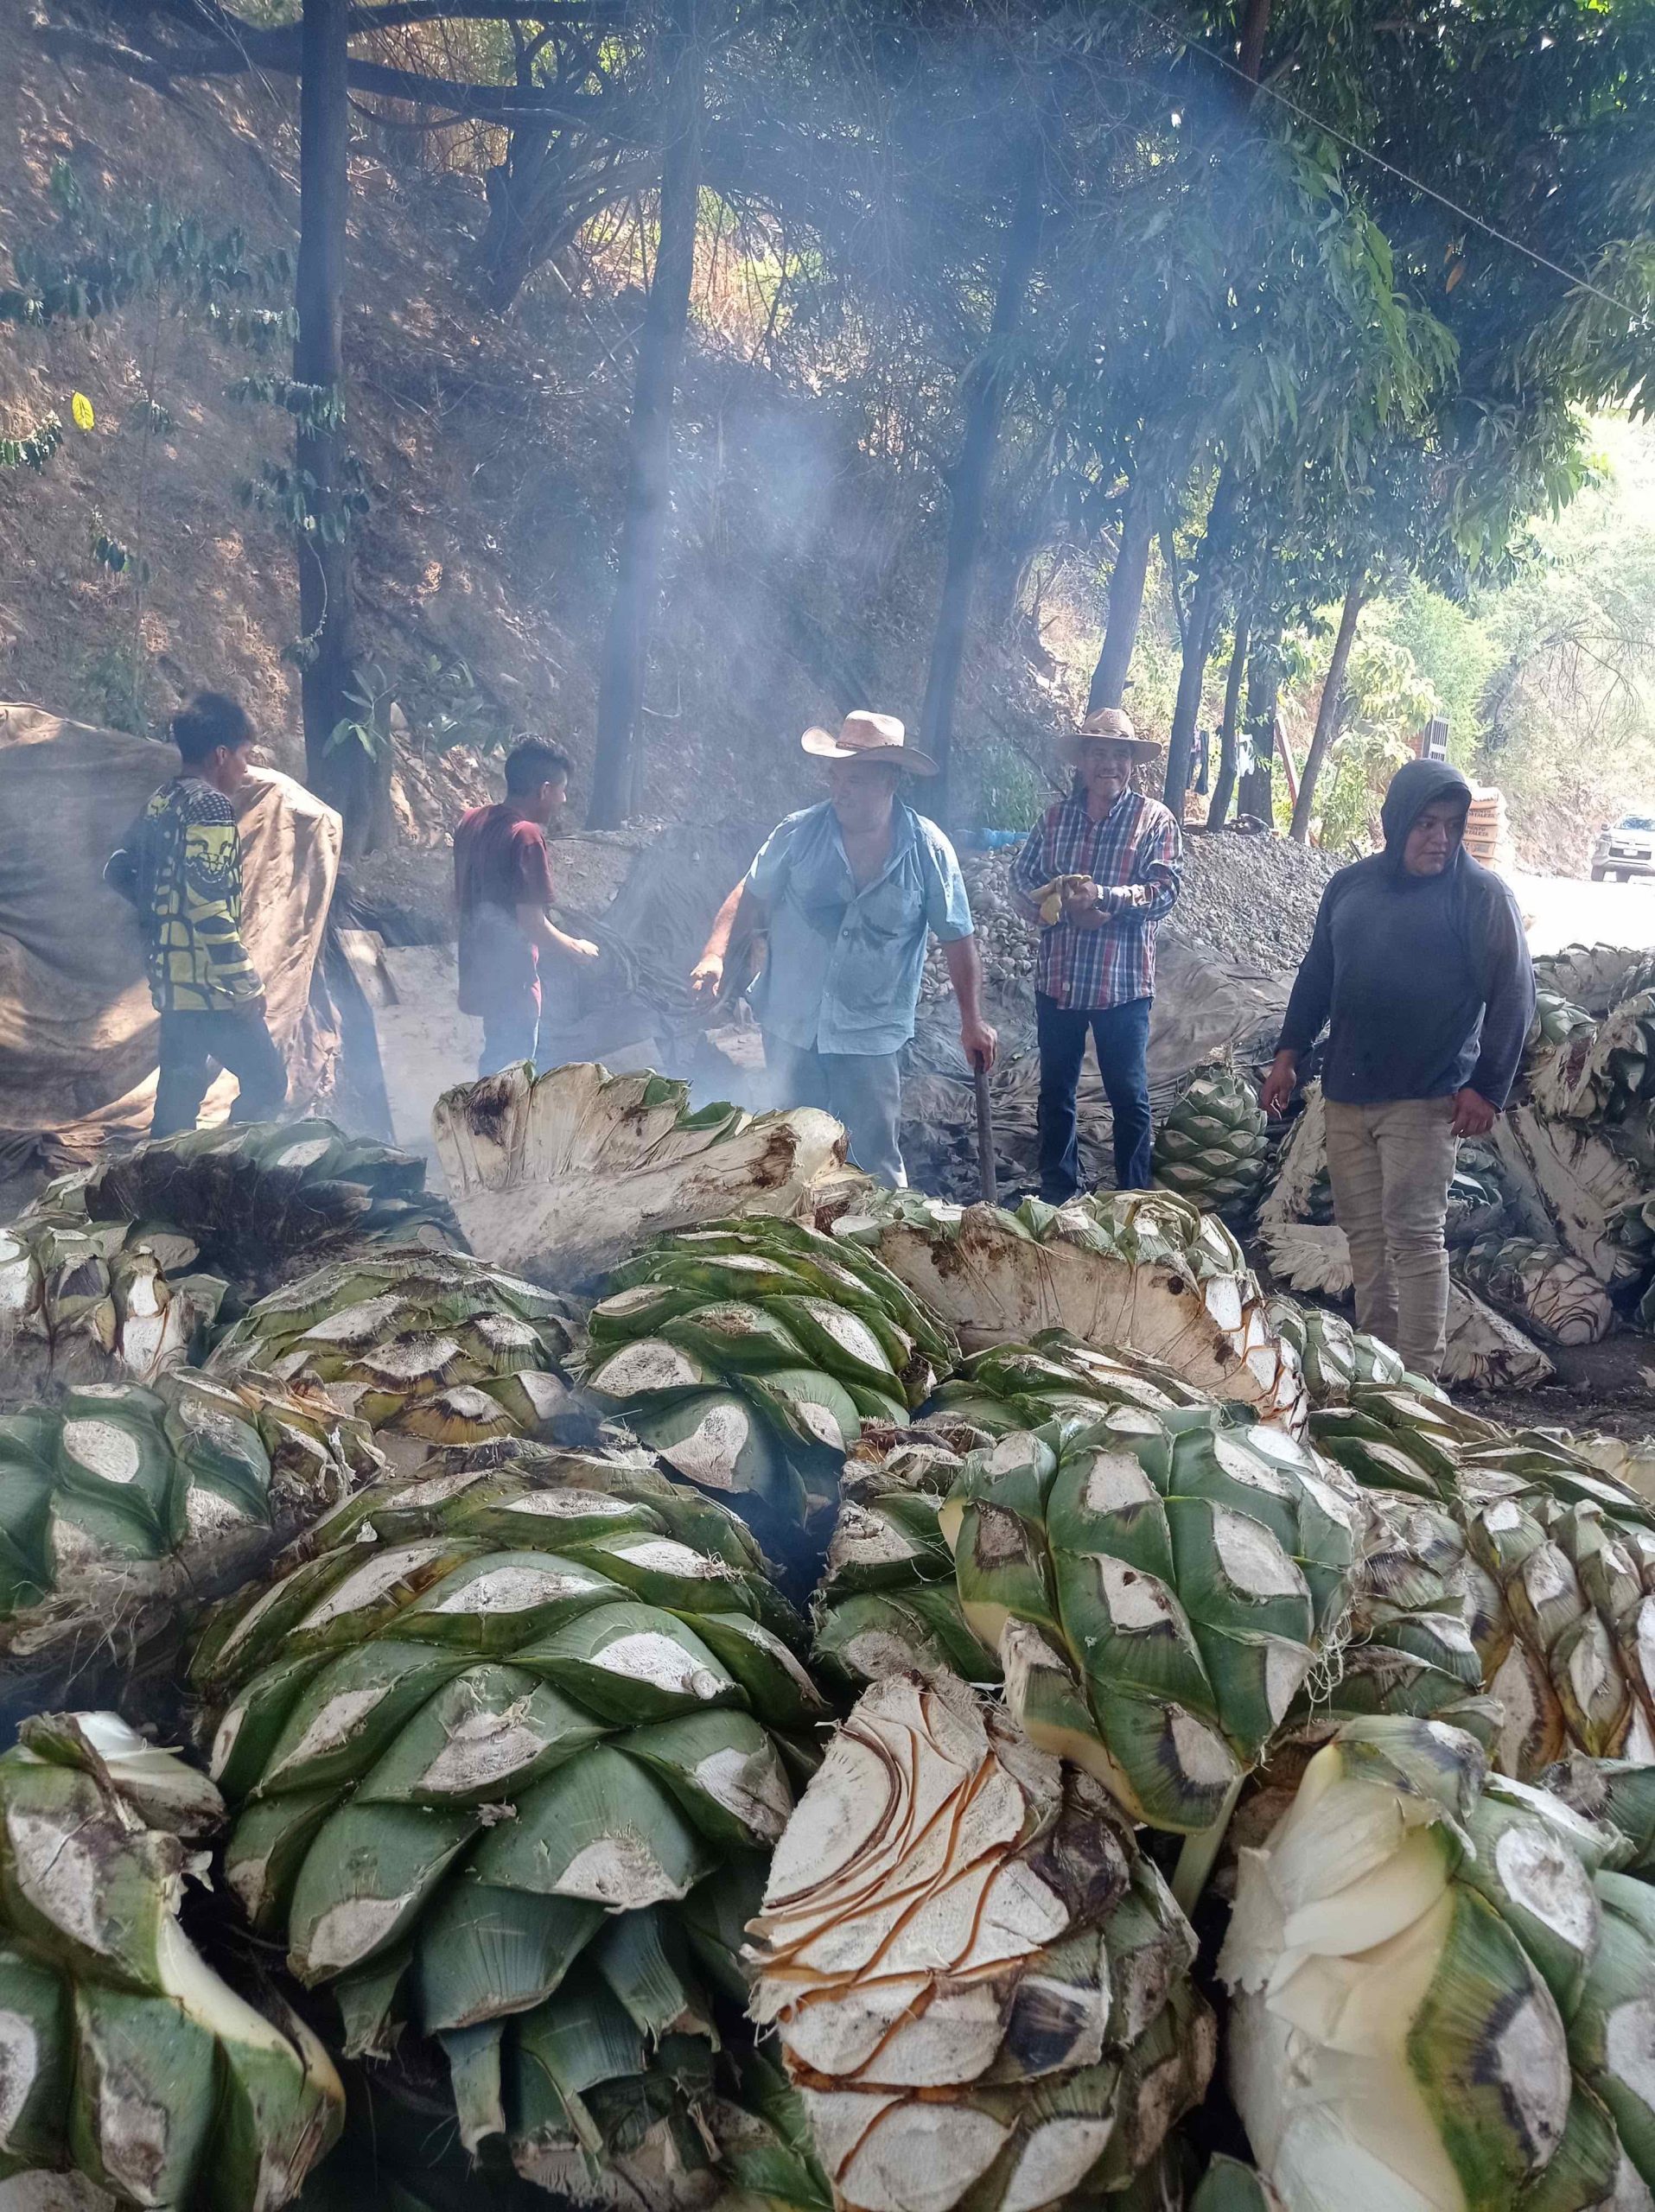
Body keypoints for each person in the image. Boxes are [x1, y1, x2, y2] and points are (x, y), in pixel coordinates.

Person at [1262, 757, 1535, 1379]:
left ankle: (1416, 1382)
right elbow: (1316, 975)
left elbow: (1514, 993)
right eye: (1424, 824)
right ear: (1394, 824)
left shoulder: (1479, 897)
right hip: (1348, 1094)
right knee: (1363, 1239)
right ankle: (1377, 1372)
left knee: (1413, 1241)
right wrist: (1287, 1054)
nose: (1439, 838)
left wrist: (1485, 1088)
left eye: (1451, 825)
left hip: (1425, 1096)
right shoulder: (1350, 887)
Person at [691, 710, 996, 1188]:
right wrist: (714, 953)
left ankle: (877, 1249)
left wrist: (972, 1022)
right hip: (791, 1025)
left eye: (854, 779)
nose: (839, 791)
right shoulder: (798, 833)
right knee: (787, 1151)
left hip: (870, 1035)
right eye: (835, 778)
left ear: (890, 780)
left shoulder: (928, 850)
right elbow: (750, 895)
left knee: (872, 1161)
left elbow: (957, 936)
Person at [1010, 707, 1182, 1199]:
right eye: (1099, 753)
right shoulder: (1055, 820)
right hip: (1059, 980)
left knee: (1128, 1096)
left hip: (1122, 985)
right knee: (1056, 1093)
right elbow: (1020, 879)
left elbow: (1164, 892)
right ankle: (1058, 1194)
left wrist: (1108, 898)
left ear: (1132, 763)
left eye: (1120, 754)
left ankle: (1133, 1199)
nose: (1110, 764)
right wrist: (1059, 907)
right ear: (1082, 761)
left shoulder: (1155, 820)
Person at [105, 690, 287, 1140]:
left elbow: (117, 868)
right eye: (244, 756)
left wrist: (163, 915)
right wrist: (245, 984)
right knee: (267, 1081)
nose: (246, 769)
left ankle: (161, 1193)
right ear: (222, 754)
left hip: (170, 980)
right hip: (210, 987)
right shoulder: (210, 806)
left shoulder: (163, 799)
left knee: (177, 1103)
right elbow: (208, 905)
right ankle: (234, 1180)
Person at [454, 738, 600, 1078]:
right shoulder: (526, 836)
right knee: (511, 1082)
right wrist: (577, 949)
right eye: (562, 791)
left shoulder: (470, 821)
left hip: (478, 971)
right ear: (545, 790)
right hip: (514, 984)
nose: (564, 800)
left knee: (493, 1069)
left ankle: (477, 1128)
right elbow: (532, 925)